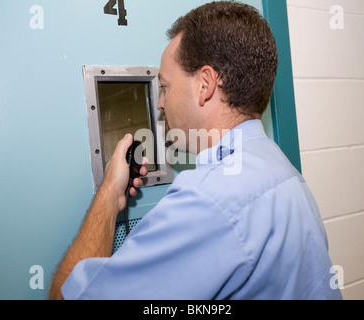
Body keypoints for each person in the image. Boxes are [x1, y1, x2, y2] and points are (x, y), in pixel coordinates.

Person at [49, 1, 342, 300]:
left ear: (205, 85)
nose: (160, 104)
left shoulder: (207, 199)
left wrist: (109, 194)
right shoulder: (286, 173)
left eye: (165, 87)